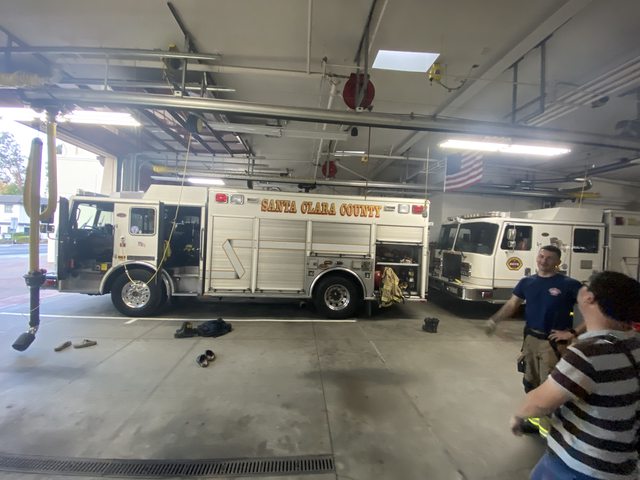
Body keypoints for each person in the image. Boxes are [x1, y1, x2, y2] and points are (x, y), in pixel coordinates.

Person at [511, 271, 640, 480]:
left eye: (586, 285)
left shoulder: (588, 353)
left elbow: (540, 402)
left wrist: (518, 414)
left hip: (581, 463)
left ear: (589, 298)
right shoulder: (634, 344)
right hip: (622, 462)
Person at [486, 245, 582, 392]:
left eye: (549, 258)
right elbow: (512, 304)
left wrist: (573, 333)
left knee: (552, 386)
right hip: (530, 341)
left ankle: (549, 408)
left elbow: (593, 311)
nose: (543, 261)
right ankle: (534, 407)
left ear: (558, 262)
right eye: (541, 256)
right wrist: (494, 320)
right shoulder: (527, 282)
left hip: (553, 344)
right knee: (529, 383)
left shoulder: (569, 285)